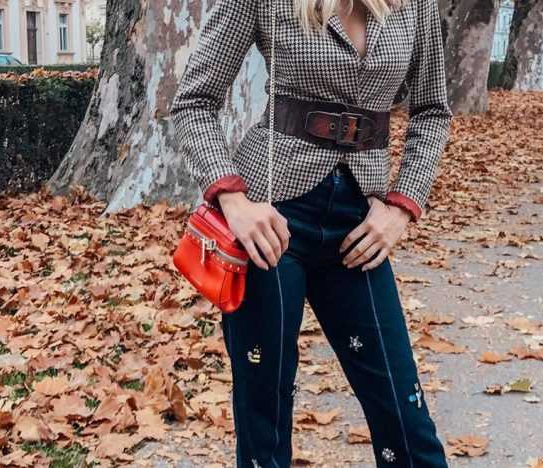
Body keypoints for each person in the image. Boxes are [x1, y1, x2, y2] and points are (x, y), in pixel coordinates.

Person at [170, 0, 453, 465]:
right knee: (265, 424)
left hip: (360, 228)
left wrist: (403, 205)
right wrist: (232, 200)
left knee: (406, 421)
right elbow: (194, 102)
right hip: (271, 225)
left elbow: (432, 110)